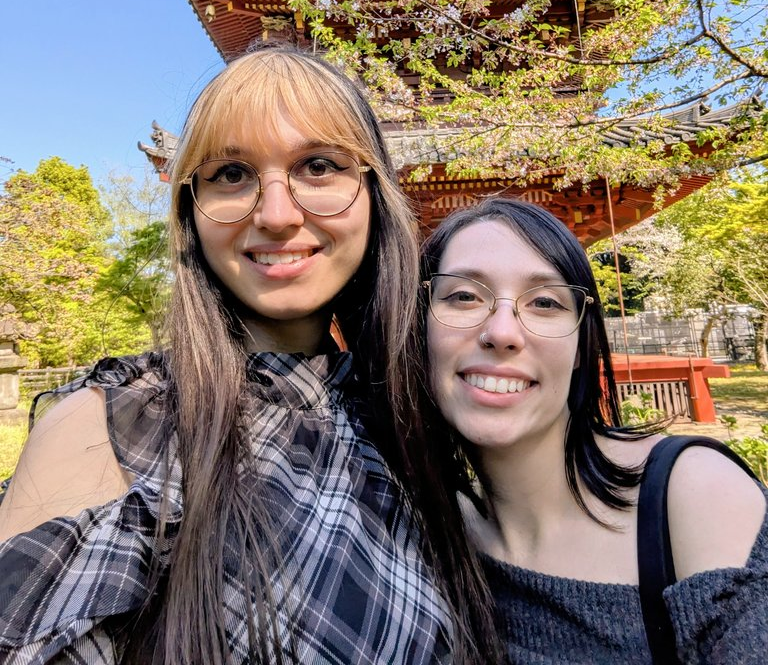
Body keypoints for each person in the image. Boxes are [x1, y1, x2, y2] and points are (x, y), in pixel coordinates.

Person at [0, 48, 495, 665]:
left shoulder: (413, 426)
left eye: (319, 165)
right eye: (231, 173)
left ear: (375, 194)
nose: (277, 215)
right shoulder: (108, 429)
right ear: (191, 209)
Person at [411, 197, 768, 664]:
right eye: (463, 296)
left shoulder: (693, 496)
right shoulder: (419, 530)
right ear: (419, 326)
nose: (501, 333)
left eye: (544, 302)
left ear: (583, 341)